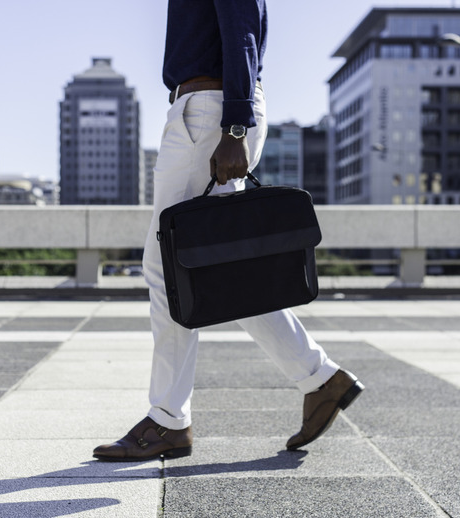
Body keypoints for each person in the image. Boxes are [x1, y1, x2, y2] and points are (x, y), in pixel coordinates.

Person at [93, 0, 363, 462]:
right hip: (207, 107)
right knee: (224, 272)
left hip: (211, 109)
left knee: (167, 270)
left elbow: (241, 31)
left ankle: (168, 420)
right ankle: (321, 380)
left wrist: (234, 125)